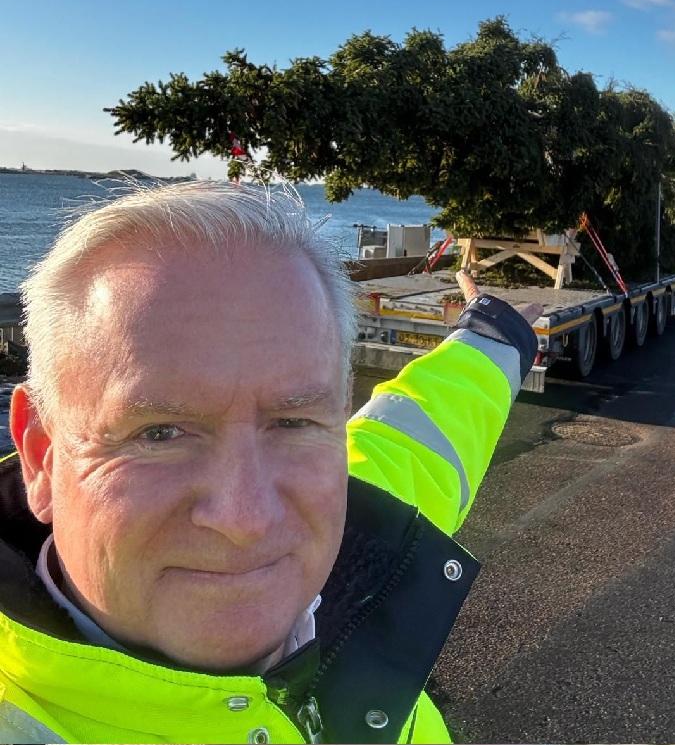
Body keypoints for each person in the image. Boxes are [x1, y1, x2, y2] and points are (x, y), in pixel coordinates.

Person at [0, 181, 540, 743]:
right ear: (41, 456)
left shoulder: (354, 517)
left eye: (292, 422)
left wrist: (495, 338)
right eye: (159, 434)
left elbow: (421, 432)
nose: (246, 519)